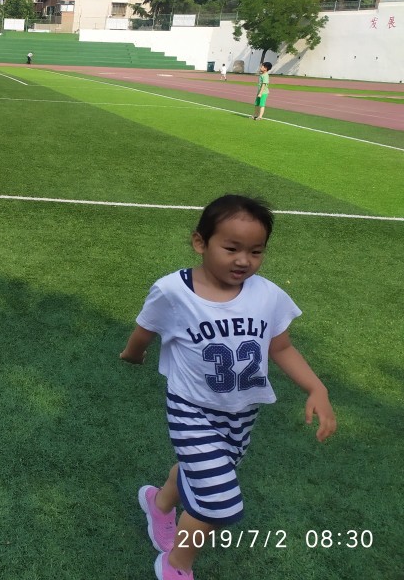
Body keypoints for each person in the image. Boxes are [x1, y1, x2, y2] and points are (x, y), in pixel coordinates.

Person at [120, 194, 336, 580]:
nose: (243, 260)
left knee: (204, 473)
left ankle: (159, 504)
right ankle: (176, 566)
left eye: (256, 251)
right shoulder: (173, 291)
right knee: (218, 501)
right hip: (190, 409)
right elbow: (145, 329)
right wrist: (133, 353)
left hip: (241, 412)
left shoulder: (267, 295)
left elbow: (281, 347)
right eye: (231, 248)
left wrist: (317, 388)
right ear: (200, 242)